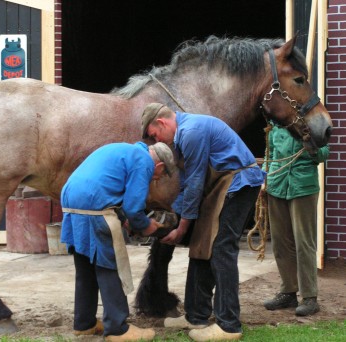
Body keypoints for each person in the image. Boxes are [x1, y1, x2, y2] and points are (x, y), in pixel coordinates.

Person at [142, 103, 265, 342]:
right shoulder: (183, 136)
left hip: (237, 184)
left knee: (221, 249)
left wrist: (181, 229)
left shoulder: (191, 132)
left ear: (162, 123)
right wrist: (174, 217)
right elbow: (189, 184)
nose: (157, 141)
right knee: (201, 246)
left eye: (154, 135)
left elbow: (196, 183)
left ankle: (229, 325)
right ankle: (196, 315)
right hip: (220, 186)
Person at [60, 141, 176, 341]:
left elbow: (109, 186)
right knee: (109, 267)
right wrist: (146, 225)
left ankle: (84, 323)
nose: (157, 179)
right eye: (161, 175)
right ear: (159, 166)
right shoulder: (144, 162)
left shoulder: (124, 150)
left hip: (72, 201)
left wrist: (124, 220)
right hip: (93, 205)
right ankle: (117, 328)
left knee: (86, 267)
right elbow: (133, 207)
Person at [262, 123, 329, 316]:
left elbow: (324, 154)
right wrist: (264, 179)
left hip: (303, 187)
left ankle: (310, 297)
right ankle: (288, 292)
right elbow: (270, 152)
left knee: (304, 243)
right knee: (280, 243)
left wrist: (311, 146)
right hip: (276, 185)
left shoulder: (313, 123)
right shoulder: (276, 124)